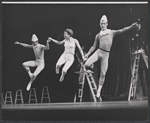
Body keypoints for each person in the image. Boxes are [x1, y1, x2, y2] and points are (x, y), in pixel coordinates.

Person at [84, 15, 140, 101]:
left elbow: (122, 30)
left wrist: (131, 26)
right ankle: (92, 66)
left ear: (106, 24)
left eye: (104, 24)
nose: (102, 25)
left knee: (103, 74)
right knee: (86, 64)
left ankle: (98, 91)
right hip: (98, 52)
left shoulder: (111, 32)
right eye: (101, 24)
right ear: (100, 24)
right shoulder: (98, 35)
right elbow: (93, 46)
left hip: (106, 55)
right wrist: (87, 54)